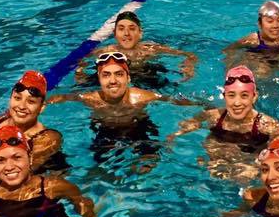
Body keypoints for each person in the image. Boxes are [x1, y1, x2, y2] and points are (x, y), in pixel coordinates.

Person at [52, 52, 198, 172]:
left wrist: (206, 106)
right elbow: (59, 97)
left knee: (149, 166)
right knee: (102, 170)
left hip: (140, 129)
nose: (113, 80)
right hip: (105, 132)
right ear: (99, 79)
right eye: (106, 75)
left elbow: (175, 100)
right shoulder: (90, 98)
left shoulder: (142, 97)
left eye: (119, 74)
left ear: (128, 78)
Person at [167, 65, 279, 181]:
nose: (237, 103)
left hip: (249, 160)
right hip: (217, 157)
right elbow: (191, 123)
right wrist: (174, 136)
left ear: (254, 97)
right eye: (231, 95)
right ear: (224, 96)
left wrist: (260, 164)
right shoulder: (214, 116)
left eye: (244, 95)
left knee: (245, 175)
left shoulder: (267, 125)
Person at [0, 70, 67, 173]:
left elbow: (20, 172)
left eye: (31, 101)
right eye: (17, 98)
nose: (21, 106)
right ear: (10, 99)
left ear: (41, 108)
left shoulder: (47, 138)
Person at [77, 11, 198, 88]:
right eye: (121, 28)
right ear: (114, 34)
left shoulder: (151, 48)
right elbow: (80, 60)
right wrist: (80, 72)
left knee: (171, 89)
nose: (126, 33)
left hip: (144, 74)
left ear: (140, 33)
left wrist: (188, 66)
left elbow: (189, 55)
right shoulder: (105, 51)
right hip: (115, 80)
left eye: (132, 28)